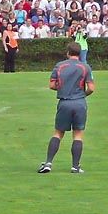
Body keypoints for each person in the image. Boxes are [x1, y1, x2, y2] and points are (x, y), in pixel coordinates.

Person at [38, 42, 95, 174]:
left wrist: (63, 89)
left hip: (64, 103)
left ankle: (48, 163)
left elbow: (52, 85)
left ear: (68, 53)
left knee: (58, 133)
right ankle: (75, 166)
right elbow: (91, 88)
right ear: (80, 53)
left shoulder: (59, 66)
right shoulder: (85, 67)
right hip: (80, 103)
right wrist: (82, 94)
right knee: (78, 135)